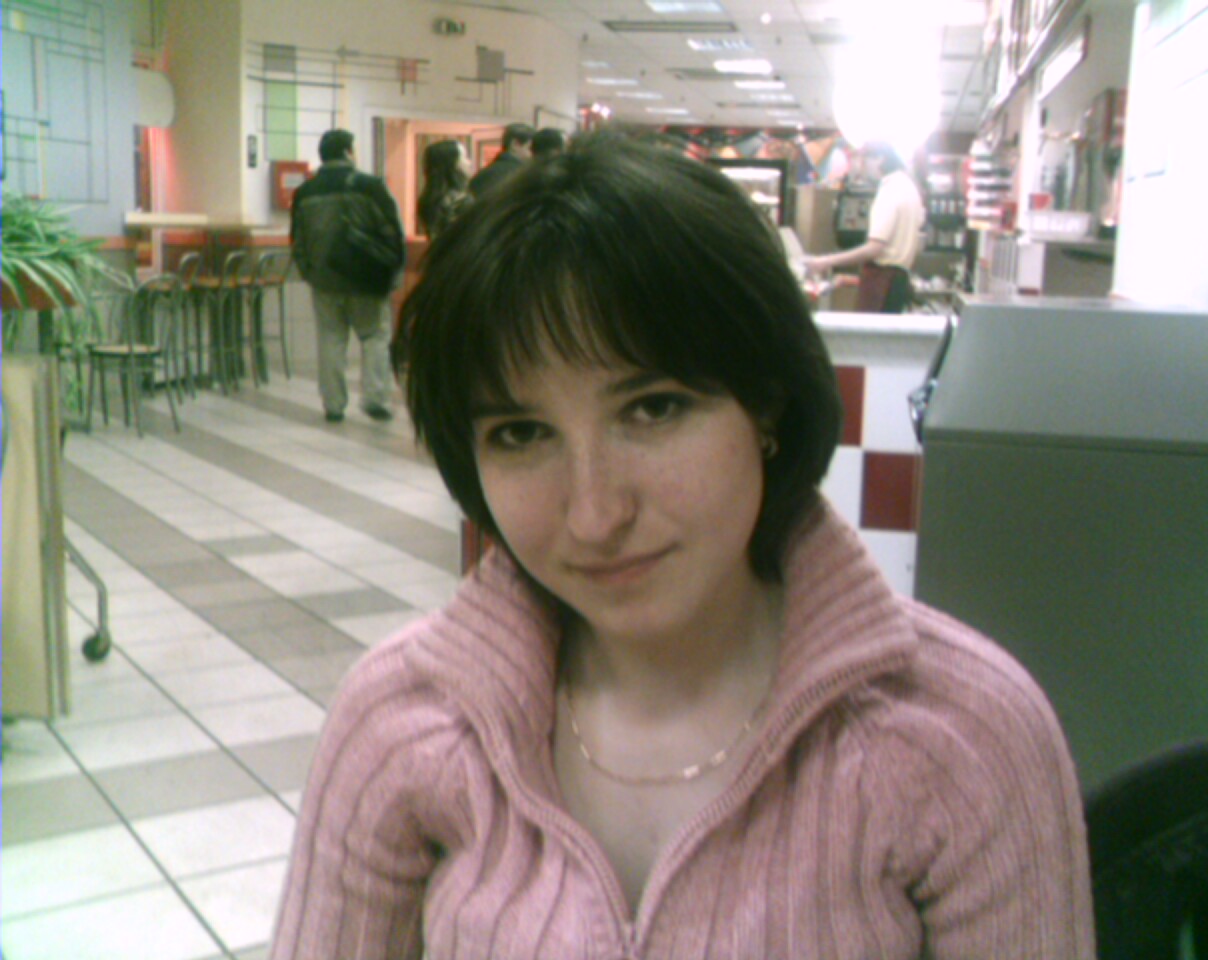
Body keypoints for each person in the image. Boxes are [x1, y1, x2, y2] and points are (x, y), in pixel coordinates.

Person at [271, 134, 1094, 960]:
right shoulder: (397, 726)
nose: (595, 515)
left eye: (654, 408)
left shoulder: (964, 737)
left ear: (766, 403)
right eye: (521, 433)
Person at [290, 128, 404, 422]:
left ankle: (333, 404)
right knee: (375, 337)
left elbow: (297, 241)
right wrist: (393, 273)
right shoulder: (370, 186)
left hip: (324, 281)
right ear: (348, 152)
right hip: (367, 279)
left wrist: (310, 273)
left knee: (330, 339)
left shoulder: (305, 192)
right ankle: (376, 399)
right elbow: (393, 232)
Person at [805, 141, 925, 313]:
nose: (862, 169)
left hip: (882, 286)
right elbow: (894, 255)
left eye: (863, 161)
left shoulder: (890, 190)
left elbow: (875, 249)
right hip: (896, 283)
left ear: (880, 159)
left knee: (872, 331)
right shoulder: (908, 187)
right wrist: (848, 279)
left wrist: (824, 262)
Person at [416, 139, 473, 241]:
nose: (469, 162)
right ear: (453, 163)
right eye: (465, 157)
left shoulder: (428, 200)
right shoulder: (461, 201)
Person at [467, 121, 534, 196]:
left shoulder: (482, 174)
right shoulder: (522, 176)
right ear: (515, 144)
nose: (533, 154)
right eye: (530, 148)